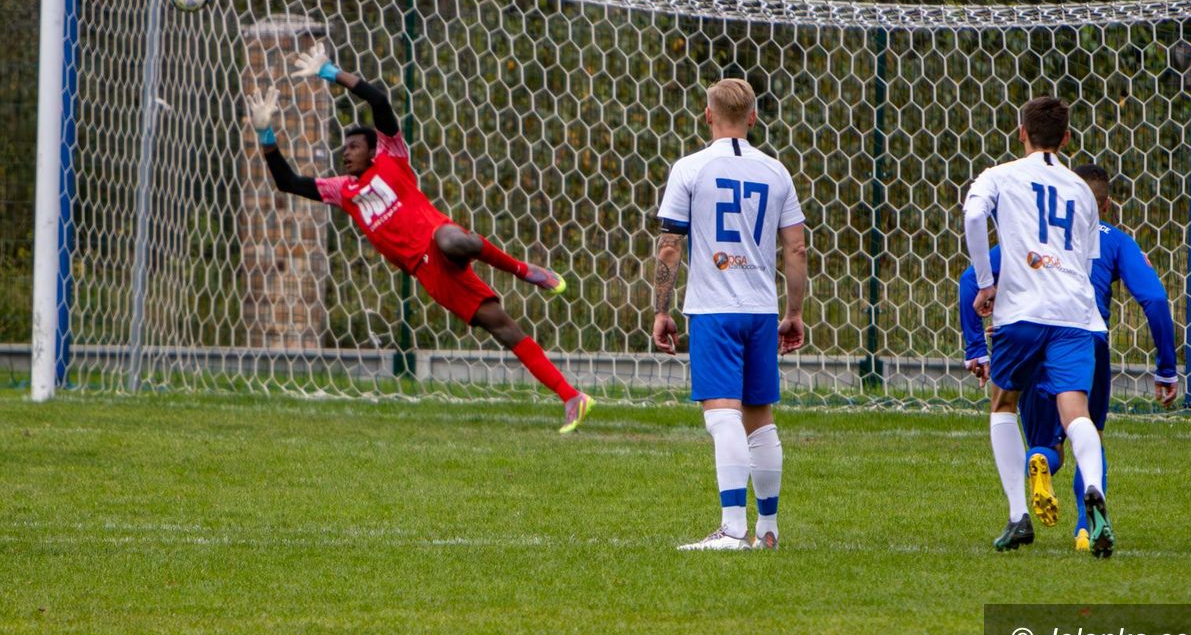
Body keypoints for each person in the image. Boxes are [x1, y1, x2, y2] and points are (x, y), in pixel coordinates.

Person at [245, 43, 593, 433]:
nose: (346, 153)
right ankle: (572, 396)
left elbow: (378, 99)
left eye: (354, 146)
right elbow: (288, 182)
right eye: (343, 148)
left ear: (375, 150)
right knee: (503, 327)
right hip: (426, 271)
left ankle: (523, 270)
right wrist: (265, 131)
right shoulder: (342, 190)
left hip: (437, 237)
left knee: (450, 240)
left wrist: (331, 72)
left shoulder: (393, 157)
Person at [959, 162, 1178, 550]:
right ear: (1104, 206)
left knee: (1036, 435)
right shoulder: (1112, 239)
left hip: (1028, 330)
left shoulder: (1033, 236)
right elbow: (1156, 299)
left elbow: (967, 281)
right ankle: (1083, 527)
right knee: (1086, 426)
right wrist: (1166, 368)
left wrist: (976, 347)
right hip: (1083, 334)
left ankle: (1028, 486)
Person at [652, 78, 808, 551]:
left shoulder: (690, 168)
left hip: (713, 310)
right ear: (754, 118)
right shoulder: (777, 172)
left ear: (708, 115)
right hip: (760, 310)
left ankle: (733, 529)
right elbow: (797, 247)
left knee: (723, 418)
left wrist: (660, 310)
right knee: (760, 418)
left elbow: (670, 246)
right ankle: (769, 528)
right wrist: (794, 312)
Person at [962, 96, 1114, 557]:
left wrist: (986, 284)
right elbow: (1087, 262)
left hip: (1022, 312)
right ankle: (1094, 493)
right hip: (1075, 315)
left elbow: (972, 216)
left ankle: (1017, 516)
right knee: (1076, 412)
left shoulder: (999, 175)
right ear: (1066, 138)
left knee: (1003, 403)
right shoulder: (1082, 190)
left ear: (1021, 132)